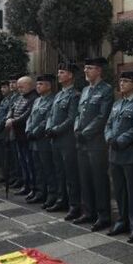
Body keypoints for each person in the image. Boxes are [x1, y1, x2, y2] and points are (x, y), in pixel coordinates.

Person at [105, 70, 133, 242]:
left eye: (126, 81)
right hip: (114, 154)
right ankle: (122, 221)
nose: (121, 84)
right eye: (121, 80)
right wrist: (109, 138)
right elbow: (108, 124)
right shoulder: (117, 104)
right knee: (119, 191)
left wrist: (120, 140)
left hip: (131, 155)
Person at [74, 60, 114, 229]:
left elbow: (102, 116)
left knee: (99, 179)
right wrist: (77, 129)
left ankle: (103, 215)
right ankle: (89, 212)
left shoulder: (106, 90)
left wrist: (85, 133)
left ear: (98, 71)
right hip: (82, 142)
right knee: (85, 178)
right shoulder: (84, 90)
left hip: (96, 142)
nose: (85, 70)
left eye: (89, 68)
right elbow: (78, 113)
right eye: (85, 67)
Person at [46, 63, 81, 218]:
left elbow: (71, 118)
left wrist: (56, 130)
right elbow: (51, 115)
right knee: (59, 172)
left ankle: (74, 205)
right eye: (58, 72)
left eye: (62, 72)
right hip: (55, 140)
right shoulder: (58, 95)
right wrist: (48, 127)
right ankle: (62, 200)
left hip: (67, 140)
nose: (58, 75)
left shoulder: (75, 95)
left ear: (70, 75)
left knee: (70, 174)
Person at [26, 75, 57, 207]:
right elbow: (30, 118)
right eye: (37, 84)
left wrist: (36, 131)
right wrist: (28, 129)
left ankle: (52, 195)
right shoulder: (37, 101)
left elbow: (47, 119)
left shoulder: (52, 100)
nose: (38, 86)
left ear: (49, 86)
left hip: (43, 140)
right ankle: (40, 192)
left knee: (48, 170)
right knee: (38, 169)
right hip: (34, 141)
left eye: (41, 84)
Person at [8, 77, 38, 197]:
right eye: (18, 87)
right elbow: (12, 109)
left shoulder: (34, 98)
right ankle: (26, 185)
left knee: (29, 162)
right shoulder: (20, 97)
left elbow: (27, 115)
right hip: (17, 134)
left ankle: (33, 186)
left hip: (26, 135)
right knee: (22, 162)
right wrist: (9, 118)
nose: (19, 89)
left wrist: (13, 121)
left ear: (30, 85)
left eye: (22, 86)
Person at [0, 80, 15, 183]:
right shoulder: (4, 100)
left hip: (5, 130)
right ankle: (5, 175)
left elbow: (7, 115)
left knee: (8, 155)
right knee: (1, 154)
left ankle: (10, 176)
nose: (2, 89)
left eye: (5, 87)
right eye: (2, 87)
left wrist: (0, 125)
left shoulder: (12, 100)